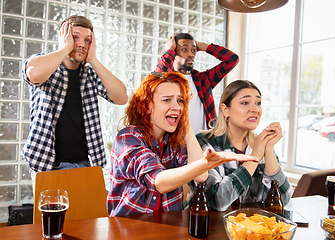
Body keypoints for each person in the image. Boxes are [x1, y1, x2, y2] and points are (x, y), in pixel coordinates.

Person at [107, 72, 257, 216]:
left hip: (168, 227)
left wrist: (185, 120)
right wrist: (206, 163)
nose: (177, 107)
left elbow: (201, 177)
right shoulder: (128, 137)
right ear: (147, 106)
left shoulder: (175, 141)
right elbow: (159, 181)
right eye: (166, 100)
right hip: (127, 228)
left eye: (180, 101)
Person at [22, 16, 128, 178]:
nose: (80, 44)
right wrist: (65, 48)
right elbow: (34, 74)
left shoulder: (90, 75)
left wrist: (93, 59)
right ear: (63, 37)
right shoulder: (47, 66)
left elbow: (121, 97)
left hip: (85, 164)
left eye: (87, 40)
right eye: (74, 37)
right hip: (47, 164)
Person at [192, 80, 294, 212]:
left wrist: (268, 149)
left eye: (258, 103)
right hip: (215, 228)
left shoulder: (261, 143)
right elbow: (217, 201)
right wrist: (256, 155)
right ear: (225, 110)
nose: (255, 109)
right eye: (245, 103)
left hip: (254, 227)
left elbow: (283, 199)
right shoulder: (205, 144)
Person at [155, 33, 239, 134]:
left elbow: (232, 59)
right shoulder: (167, 80)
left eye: (194, 50)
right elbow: (156, 77)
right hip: (175, 143)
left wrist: (205, 47)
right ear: (174, 53)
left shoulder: (203, 79)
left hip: (204, 143)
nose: (191, 54)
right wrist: (170, 50)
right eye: (185, 49)